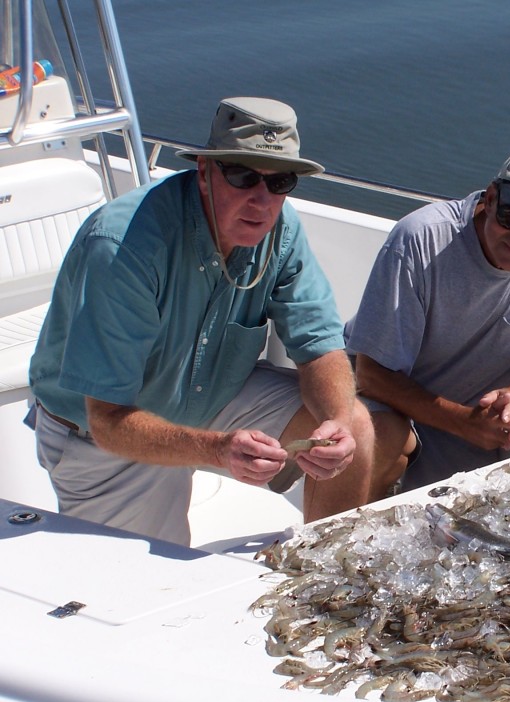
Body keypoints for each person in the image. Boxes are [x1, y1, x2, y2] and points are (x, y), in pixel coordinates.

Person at [28, 96, 373, 545]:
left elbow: (321, 348)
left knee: (357, 430)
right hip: (106, 434)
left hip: (210, 392)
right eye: (243, 175)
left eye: (280, 181)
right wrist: (214, 447)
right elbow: (108, 418)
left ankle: (325, 576)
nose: (261, 199)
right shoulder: (124, 247)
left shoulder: (281, 230)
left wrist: (337, 423)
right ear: (205, 174)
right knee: (139, 590)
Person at [345, 142, 510, 499]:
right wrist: (463, 423)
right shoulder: (420, 240)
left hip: (470, 425)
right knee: (383, 443)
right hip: (387, 401)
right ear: (490, 198)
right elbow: (371, 375)